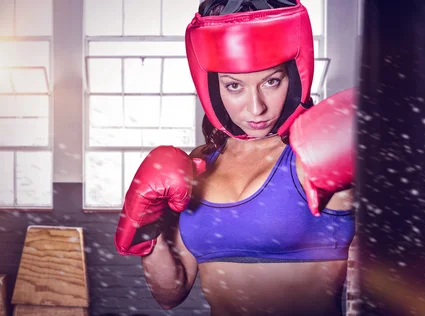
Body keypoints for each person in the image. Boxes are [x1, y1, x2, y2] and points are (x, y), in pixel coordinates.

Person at [114, 1, 356, 315]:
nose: (256, 108)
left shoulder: (316, 157)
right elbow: (170, 294)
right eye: (234, 86)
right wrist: (148, 232)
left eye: (272, 81)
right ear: (212, 88)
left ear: (295, 78)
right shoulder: (195, 167)